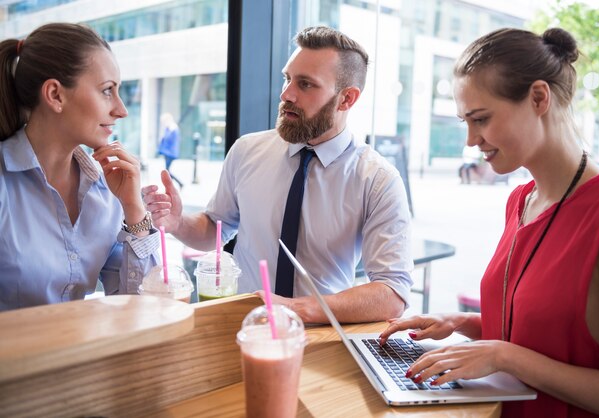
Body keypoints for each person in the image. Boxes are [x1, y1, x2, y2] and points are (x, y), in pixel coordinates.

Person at [379, 27, 599, 417]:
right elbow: (542, 331)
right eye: (465, 121)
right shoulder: (520, 200)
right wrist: (463, 323)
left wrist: (503, 356)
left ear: (539, 98)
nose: (470, 140)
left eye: (480, 119)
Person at [143, 26, 413, 324]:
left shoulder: (378, 180)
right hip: (241, 326)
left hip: (321, 334)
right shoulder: (247, 151)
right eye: (287, 79)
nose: (286, 94)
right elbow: (215, 230)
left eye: (306, 84)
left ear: (346, 99)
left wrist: (299, 309)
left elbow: (392, 293)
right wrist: (178, 222)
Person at [0, 23, 160, 311]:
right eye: (107, 91)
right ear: (55, 95)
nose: (121, 110)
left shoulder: (105, 191)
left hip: (80, 354)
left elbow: (137, 307)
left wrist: (134, 208)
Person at [158, 112, 184, 189]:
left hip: (170, 153)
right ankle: (172, 186)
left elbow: (168, 139)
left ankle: (177, 184)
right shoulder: (169, 128)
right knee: (167, 171)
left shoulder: (172, 128)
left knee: (167, 172)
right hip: (168, 153)